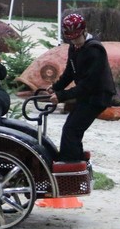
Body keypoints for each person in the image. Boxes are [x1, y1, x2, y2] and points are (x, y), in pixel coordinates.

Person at [48, 13, 115, 162]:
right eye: (71, 39)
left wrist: (62, 96)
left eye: (77, 39)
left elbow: (88, 84)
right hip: (87, 95)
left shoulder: (94, 50)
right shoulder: (74, 47)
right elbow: (70, 72)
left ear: (85, 32)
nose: (75, 43)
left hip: (98, 96)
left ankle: (70, 162)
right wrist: (56, 87)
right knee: (71, 128)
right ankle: (75, 159)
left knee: (71, 129)